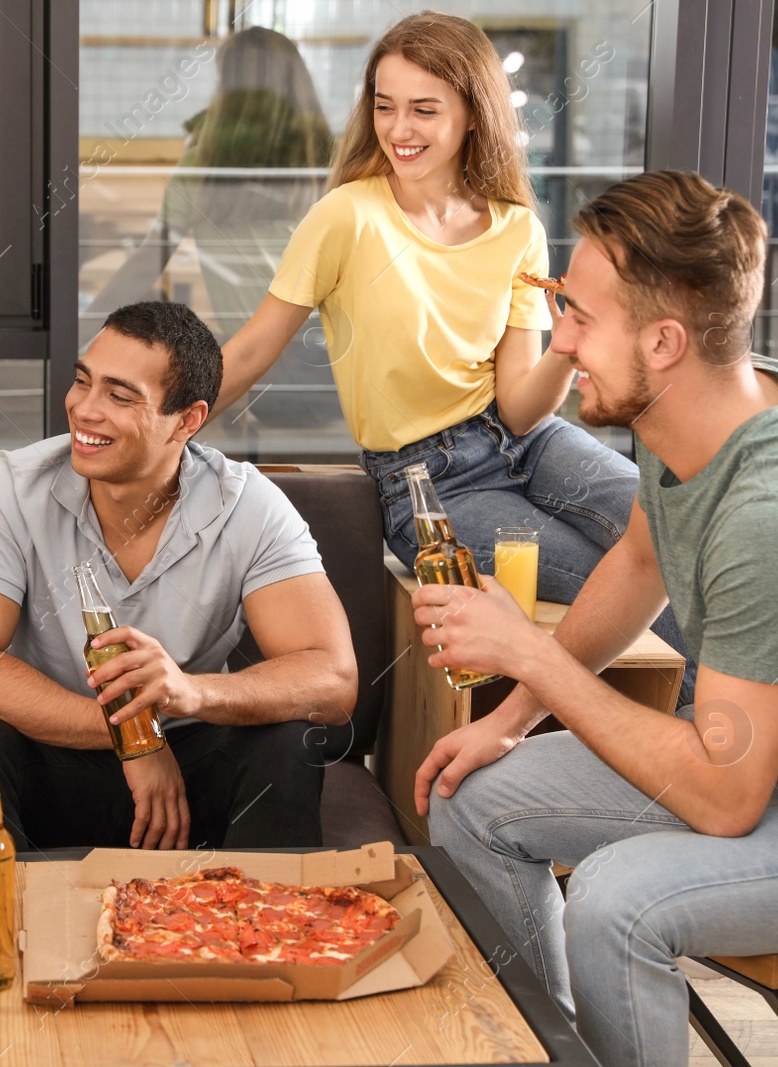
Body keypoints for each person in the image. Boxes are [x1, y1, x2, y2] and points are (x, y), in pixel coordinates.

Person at [410, 171, 778, 1067]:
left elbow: (725, 797)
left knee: (618, 900)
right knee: (470, 796)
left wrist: (532, 652)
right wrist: (508, 717)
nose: (557, 340)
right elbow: (642, 560)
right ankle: (570, 1049)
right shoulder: (699, 408)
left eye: (575, 314)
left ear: (666, 339)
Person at [213, 12, 691, 685]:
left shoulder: (517, 228)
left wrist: (569, 341)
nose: (399, 129)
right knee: (629, 589)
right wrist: (163, 423)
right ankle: (716, 750)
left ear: (473, 112)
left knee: (681, 535)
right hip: (426, 485)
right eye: (385, 107)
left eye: (423, 110)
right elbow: (255, 346)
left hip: (531, 441)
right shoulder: (348, 217)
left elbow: (523, 410)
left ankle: (752, 738)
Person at [0, 301, 356, 852]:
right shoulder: (9, 485)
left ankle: (258, 929)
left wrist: (191, 694)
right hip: (53, 761)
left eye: (119, 396)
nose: (83, 409)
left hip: (188, 774)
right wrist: (134, 738)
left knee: (290, 740)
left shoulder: (250, 504)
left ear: (188, 420)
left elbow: (333, 681)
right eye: (83, 382)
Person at [81, 26, 338, 429]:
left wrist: (81, 331)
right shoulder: (333, 169)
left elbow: (146, 263)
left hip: (268, 379)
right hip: (341, 373)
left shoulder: (203, 170)